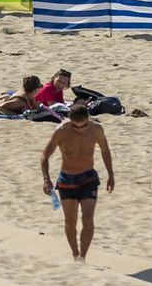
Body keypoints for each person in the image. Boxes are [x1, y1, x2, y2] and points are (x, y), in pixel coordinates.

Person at [41, 102, 115, 262]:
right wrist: (46, 179)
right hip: (67, 179)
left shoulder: (96, 129)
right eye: (76, 127)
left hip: (88, 178)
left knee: (88, 219)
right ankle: (75, 254)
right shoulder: (61, 131)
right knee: (70, 222)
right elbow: (44, 156)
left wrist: (110, 174)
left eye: (83, 127)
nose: (80, 131)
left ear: (88, 119)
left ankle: (83, 256)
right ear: (70, 121)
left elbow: (105, 150)